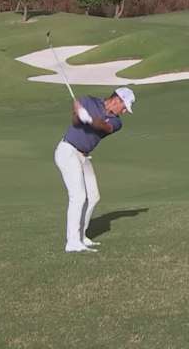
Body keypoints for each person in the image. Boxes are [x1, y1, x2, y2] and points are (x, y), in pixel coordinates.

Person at [54, 87, 136, 253]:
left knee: (93, 196)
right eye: (125, 107)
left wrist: (89, 119)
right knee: (78, 196)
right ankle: (72, 242)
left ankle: (81, 236)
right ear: (117, 99)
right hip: (68, 150)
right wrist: (78, 113)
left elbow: (103, 127)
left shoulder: (117, 121)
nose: (125, 111)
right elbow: (75, 122)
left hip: (83, 156)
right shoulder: (88, 101)